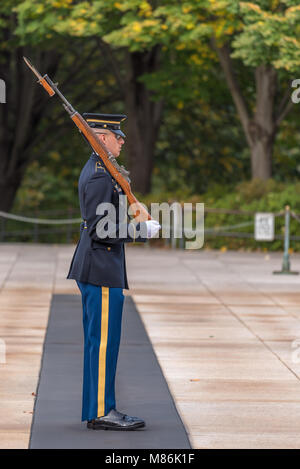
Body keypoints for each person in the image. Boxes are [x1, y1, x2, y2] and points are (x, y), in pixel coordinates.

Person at [67, 113, 160, 431]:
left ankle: (98, 407)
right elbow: (99, 229)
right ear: (100, 138)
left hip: (99, 266)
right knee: (104, 342)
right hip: (100, 268)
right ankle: (103, 411)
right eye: (115, 135)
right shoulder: (98, 176)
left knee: (99, 342)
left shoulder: (105, 171)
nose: (122, 140)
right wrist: (140, 230)